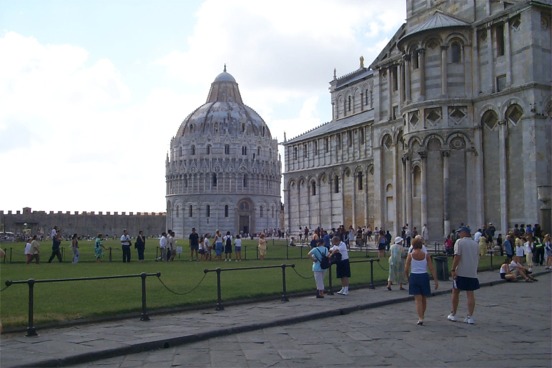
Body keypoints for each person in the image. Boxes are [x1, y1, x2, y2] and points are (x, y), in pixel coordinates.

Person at [447, 226, 480, 325]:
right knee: (470, 294)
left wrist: (453, 269)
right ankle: (470, 316)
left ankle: (453, 314)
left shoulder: (459, 242)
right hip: (472, 272)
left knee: (455, 292)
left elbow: (457, 256)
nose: (459, 234)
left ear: (465, 233)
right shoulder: (475, 244)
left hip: (460, 272)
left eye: (460, 232)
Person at [405, 237, 438, 325]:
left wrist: (407, 277)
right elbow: (431, 268)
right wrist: (435, 280)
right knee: (424, 298)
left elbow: (406, 268)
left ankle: (420, 318)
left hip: (414, 276)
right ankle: (422, 315)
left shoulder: (410, 255)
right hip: (424, 276)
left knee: (418, 299)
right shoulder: (426, 255)